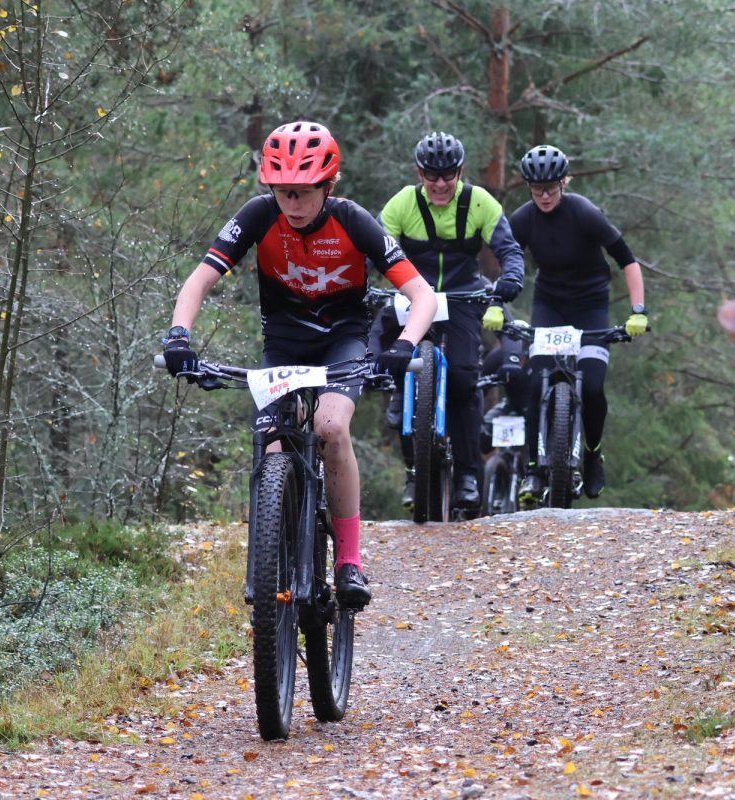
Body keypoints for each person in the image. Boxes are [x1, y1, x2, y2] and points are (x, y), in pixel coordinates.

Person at [162, 121, 437, 606]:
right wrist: (179, 336)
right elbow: (200, 279)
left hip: (342, 343)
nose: (292, 202)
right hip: (284, 347)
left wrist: (403, 346)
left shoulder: (352, 220)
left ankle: (348, 560)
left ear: (328, 186)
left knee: (330, 427)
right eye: (282, 191)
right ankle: (274, 556)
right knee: (270, 444)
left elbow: (422, 295)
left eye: (303, 192)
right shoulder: (258, 215)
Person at [376, 131, 525, 511]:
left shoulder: (480, 202)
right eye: (432, 175)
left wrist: (511, 277)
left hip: (462, 296)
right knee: (393, 354)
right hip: (412, 293)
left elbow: (508, 249)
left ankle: (468, 475)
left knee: (463, 379)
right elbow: (372, 248)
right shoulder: (402, 204)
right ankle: (414, 471)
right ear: (419, 173)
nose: (440, 184)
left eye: (448, 175)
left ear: (460, 172)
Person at [504, 144, 650, 502]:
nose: (544, 196)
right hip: (549, 305)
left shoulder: (584, 212)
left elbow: (627, 260)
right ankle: (534, 471)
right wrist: (497, 305)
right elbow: (505, 260)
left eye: (551, 188)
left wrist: (638, 310)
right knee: (535, 381)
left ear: (564, 182)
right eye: (537, 189)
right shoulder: (523, 219)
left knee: (593, 386)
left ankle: (592, 454)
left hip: (590, 306)